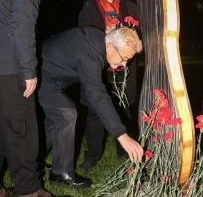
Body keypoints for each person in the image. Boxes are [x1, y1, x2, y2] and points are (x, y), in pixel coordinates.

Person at [37, 26, 144, 188]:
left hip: (51, 74)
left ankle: (33, 160)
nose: (124, 63)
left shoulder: (99, 40)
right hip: (40, 74)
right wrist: (122, 135)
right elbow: (97, 95)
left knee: (57, 119)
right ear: (110, 46)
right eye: (124, 58)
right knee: (66, 114)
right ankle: (61, 172)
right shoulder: (90, 54)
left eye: (127, 60)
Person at [0, 0, 57, 197]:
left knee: (3, 128)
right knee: (22, 130)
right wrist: (28, 70)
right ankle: (28, 191)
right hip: (10, 66)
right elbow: (22, 25)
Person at [78, 0, 140, 170]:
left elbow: (138, 36)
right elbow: (84, 34)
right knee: (96, 111)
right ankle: (93, 153)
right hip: (99, 68)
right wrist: (106, 33)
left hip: (124, 68)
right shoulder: (90, 6)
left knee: (125, 107)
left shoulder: (128, 5)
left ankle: (124, 151)